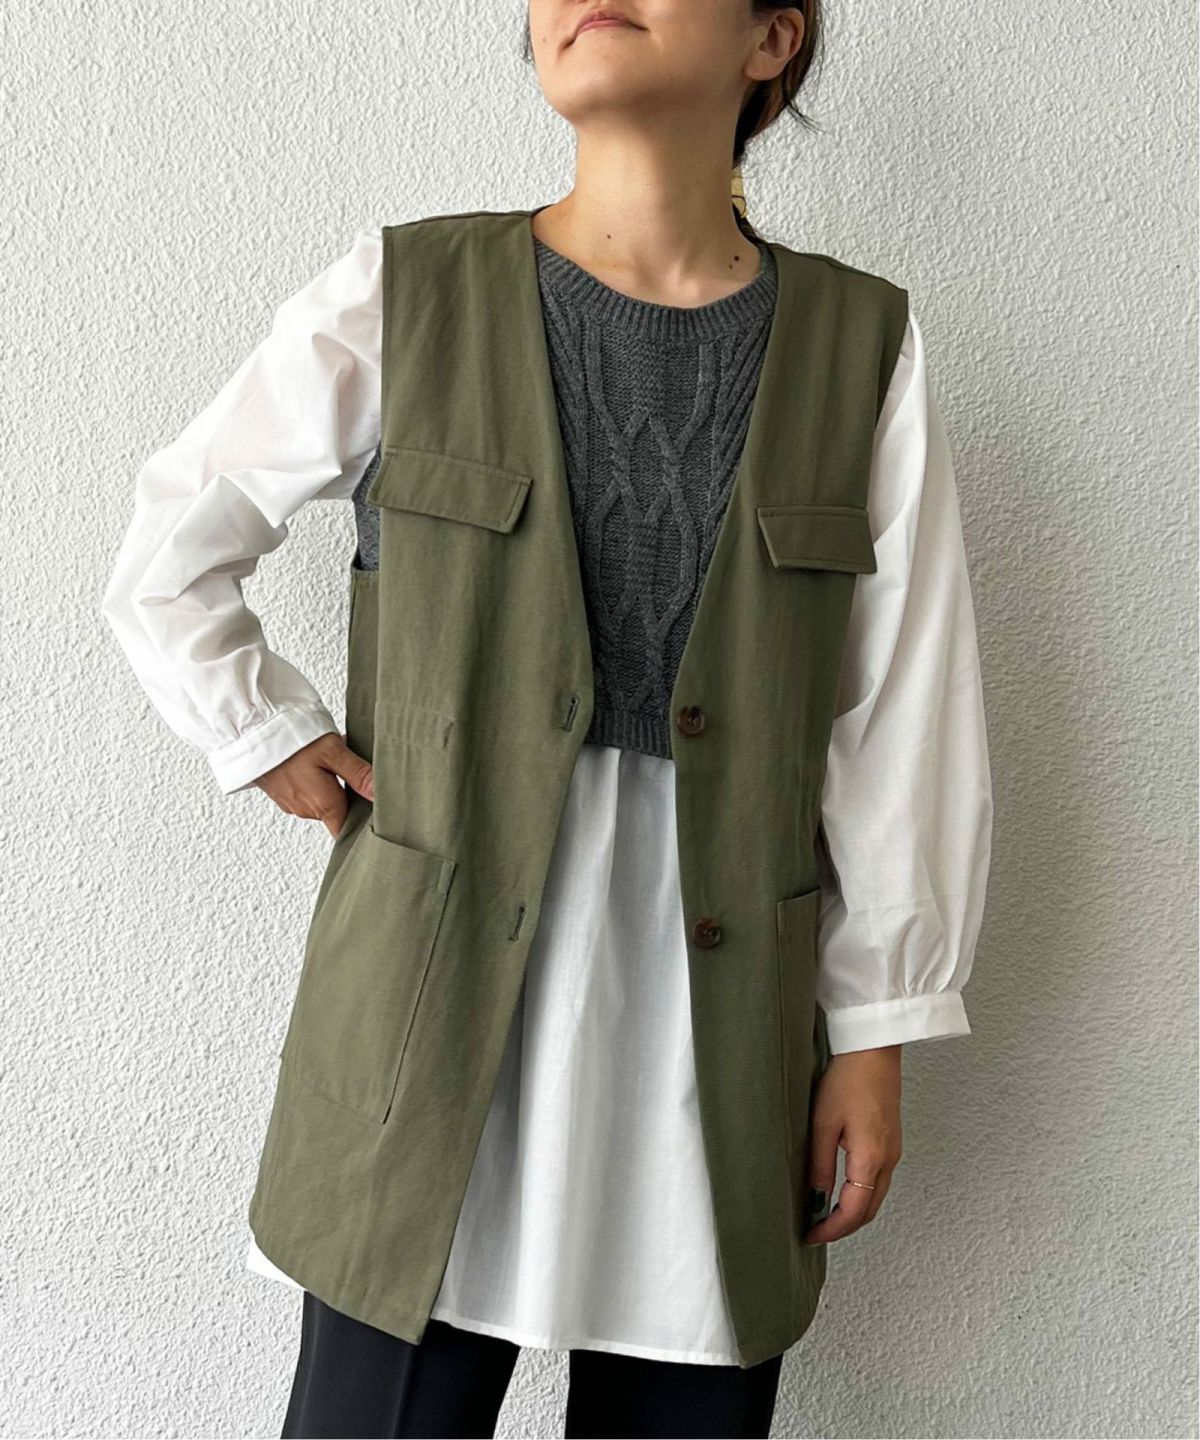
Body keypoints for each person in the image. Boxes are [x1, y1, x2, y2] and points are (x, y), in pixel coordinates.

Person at [101, 2, 993, 1436]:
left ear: (772, 41)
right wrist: (261, 731)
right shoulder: (406, 293)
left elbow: (904, 716)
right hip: (429, 1011)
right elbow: (168, 556)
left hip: (720, 1029)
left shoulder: (861, 348)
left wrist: (877, 1030)